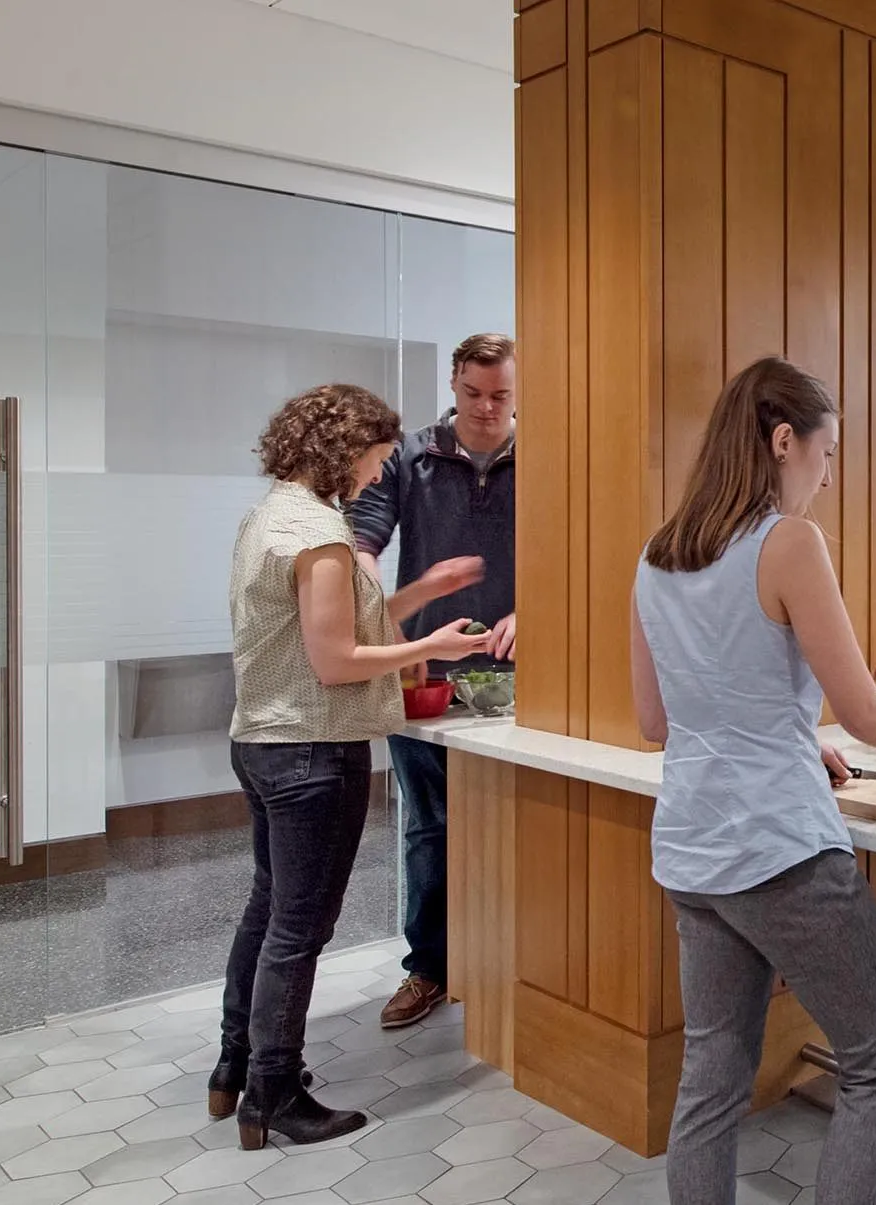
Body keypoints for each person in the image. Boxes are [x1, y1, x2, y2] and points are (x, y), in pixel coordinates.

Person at [628, 357, 876, 1205]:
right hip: (781, 850)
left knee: (712, 1077)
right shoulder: (788, 542)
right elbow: (860, 706)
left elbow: (658, 722)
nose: (828, 472)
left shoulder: (656, 558)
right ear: (783, 440)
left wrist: (781, 734)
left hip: (693, 850)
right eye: (827, 451)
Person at [221, 385, 493, 1148]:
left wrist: (422, 594)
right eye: (375, 461)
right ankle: (272, 1093)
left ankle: (234, 1063)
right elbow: (338, 659)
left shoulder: (271, 516)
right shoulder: (322, 533)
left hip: (262, 741)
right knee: (297, 930)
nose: (378, 478)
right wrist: (434, 646)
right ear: (344, 451)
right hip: (314, 749)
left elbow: (335, 624)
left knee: (267, 911)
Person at [346, 333, 516, 1029]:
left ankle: (514, 967)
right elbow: (363, 537)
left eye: (501, 395)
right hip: (426, 676)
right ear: (453, 384)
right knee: (430, 829)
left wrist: (534, 609)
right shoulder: (411, 457)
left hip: (518, 681)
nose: (485, 408)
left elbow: (576, 546)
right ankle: (432, 969)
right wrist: (362, 597)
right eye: (473, 393)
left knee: (518, 827)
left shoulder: (549, 457)